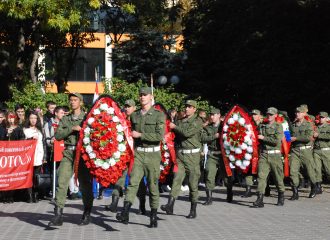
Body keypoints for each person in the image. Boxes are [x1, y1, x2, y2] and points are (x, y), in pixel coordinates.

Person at [116, 87, 165, 228]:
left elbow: (159, 136)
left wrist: (141, 135)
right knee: (133, 183)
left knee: (152, 185)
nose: (142, 97)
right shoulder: (135, 115)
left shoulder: (158, 115)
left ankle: (153, 215)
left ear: (151, 97)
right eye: (141, 95)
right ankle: (125, 212)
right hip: (138, 154)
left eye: (145, 95)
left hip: (153, 154)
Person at [48, 93, 94, 226]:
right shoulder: (66, 118)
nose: (72, 102)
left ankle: (87, 211)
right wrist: (72, 128)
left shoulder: (87, 118)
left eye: (75, 100)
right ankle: (58, 215)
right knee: (62, 181)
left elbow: (95, 134)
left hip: (83, 154)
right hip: (68, 152)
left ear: (81, 102)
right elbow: (57, 135)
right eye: (71, 100)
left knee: (85, 184)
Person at [161, 99, 203, 219]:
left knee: (192, 183)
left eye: (190, 107)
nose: (187, 109)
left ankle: (193, 209)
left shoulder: (197, 121)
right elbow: (175, 135)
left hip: (192, 157)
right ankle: (170, 204)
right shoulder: (180, 120)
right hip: (181, 155)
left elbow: (187, 133)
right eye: (186, 106)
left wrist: (174, 127)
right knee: (176, 179)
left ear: (194, 109)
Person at [252, 107, 285, 208]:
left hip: (275, 155)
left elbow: (276, 141)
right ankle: (259, 199)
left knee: (278, 177)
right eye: (268, 114)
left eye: (271, 114)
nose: (269, 116)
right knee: (261, 177)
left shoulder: (278, 126)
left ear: (275, 115)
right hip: (264, 154)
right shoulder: (262, 126)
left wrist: (263, 138)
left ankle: (281, 194)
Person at [201, 108, 233, 205]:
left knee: (226, 176)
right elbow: (203, 139)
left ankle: (229, 191)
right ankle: (209, 198)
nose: (212, 116)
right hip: (212, 154)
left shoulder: (225, 126)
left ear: (219, 115)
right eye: (210, 115)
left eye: (214, 115)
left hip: (223, 155)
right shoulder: (208, 127)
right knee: (208, 173)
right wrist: (214, 137)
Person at [289, 106, 317, 200]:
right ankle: (295, 192)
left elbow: (309, 137)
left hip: (306, 150)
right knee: (293, 171)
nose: (297, 114)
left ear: (304, 114)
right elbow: (289, 136)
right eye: (296, 112)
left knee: (310, 171)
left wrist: (296, 138)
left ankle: (314, 187)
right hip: (295, 150)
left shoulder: (308, 124)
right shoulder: (293, 125)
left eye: (300, 112)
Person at [3, 111, 25, 203]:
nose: (10, 119)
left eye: (12, 117)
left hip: (15, 156)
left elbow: (22, 139)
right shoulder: (3, 128)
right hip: (5, 156)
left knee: (12, 176)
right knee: (5, 176)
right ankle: (4, 196)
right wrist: (7, 134)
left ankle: (11, 196)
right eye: (9, 117)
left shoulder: (19, 129)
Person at [23, 111, 45, 203]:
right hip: (29, 156)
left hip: (39, 155)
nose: (33, 120)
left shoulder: (40, 130)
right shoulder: (25, 130)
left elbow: (43, 144)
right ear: (28, 119)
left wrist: (45, 157)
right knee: (29, 176)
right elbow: (21, 143)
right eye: (31, 118)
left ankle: (36, 194)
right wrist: (30, 139)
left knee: (36, 176)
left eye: (35, 118)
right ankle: (29, 195)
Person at [313, 112, 330, 193]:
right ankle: (318, 187)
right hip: (316, 151)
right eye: (320, 117)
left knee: (328, 169)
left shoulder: (329, 127)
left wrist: (318, 135)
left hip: (326, 150)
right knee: (317, 169)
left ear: (327, 118)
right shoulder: (316, 127)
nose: (321, 119)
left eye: (323, 117)